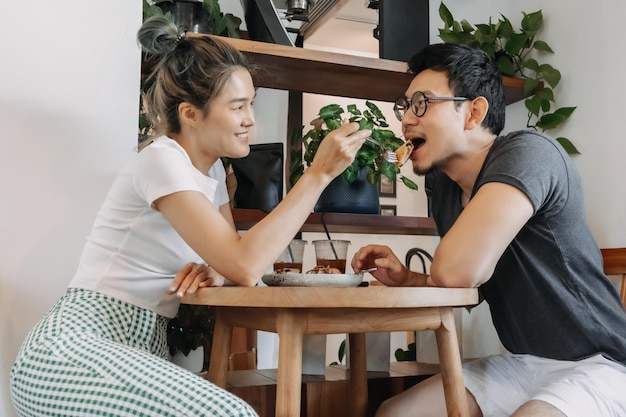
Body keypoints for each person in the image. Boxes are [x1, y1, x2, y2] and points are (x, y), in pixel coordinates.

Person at [10, 16, 369, 417]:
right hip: (74, 349)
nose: (251, 118)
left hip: (137, 343)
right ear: (191, 113)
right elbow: (246, 264)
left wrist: (215, 269)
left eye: (251, 103)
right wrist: (318, 174)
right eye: (238, 106)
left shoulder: (212, 172)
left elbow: (233, 262)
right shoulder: (163, 160)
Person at [352, 43, 626, 417]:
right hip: (523, 362)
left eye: (422, 103)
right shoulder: (445, 187)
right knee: (395, 413)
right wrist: (407, 278)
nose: (406, 120)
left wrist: (435, 276)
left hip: (601, 364)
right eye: (405, 107)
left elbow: (457, 271)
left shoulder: (529, 153)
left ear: (473, 112)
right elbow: (474, 286)